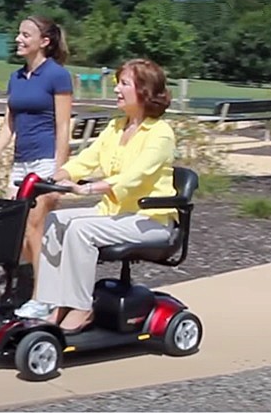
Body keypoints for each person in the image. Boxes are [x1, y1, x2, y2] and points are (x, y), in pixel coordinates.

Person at [14, 58, 178, 334]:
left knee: (80, 230)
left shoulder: (161, 134)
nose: (116, 89)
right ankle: (54, 302)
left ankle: (81, 306)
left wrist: (88, 188)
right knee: (55, 222)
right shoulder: (116, 127)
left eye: (124, 84)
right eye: (118, 83)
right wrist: (53, 179)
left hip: (151, 219)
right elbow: (85, 161)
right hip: (114, 213)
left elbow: (132, 177)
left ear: (144, 91)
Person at [0, 15, 73, 310]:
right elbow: (9, 124)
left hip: (45, 162)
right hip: (20, 165)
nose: (18, 39)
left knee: (34, 226)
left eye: (25, 34)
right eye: (18, 33)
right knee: (16, 232)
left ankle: (43, 298)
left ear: (44, 41)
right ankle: (36, 287)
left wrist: (60, 170)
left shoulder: (57, 75)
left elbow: (64, 126)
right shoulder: (16, 78)